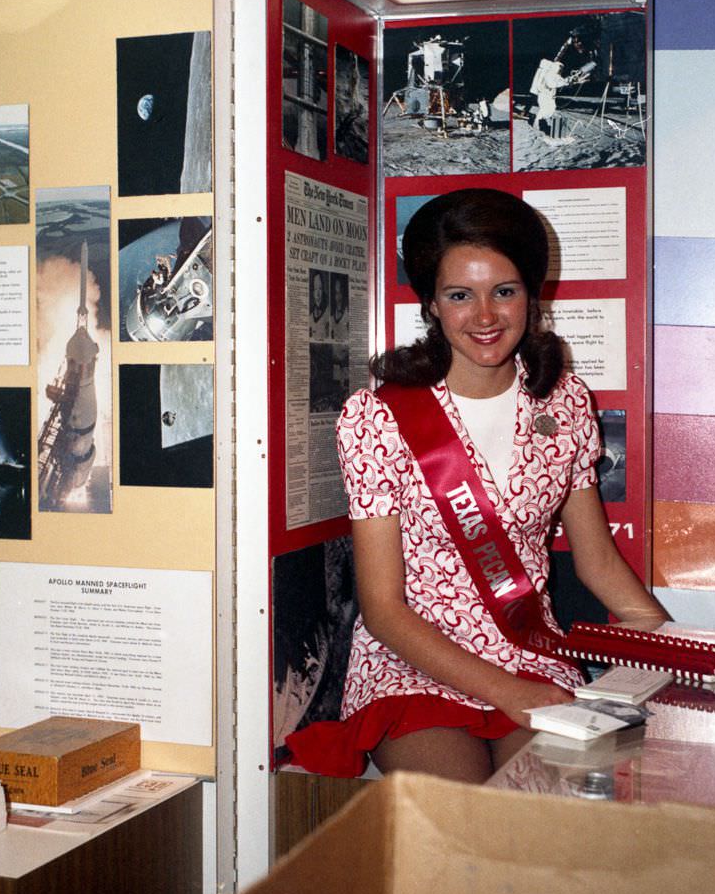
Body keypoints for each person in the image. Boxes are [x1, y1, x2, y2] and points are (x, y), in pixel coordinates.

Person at [285, 188, 666, 783]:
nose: (485, 317)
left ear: (531, 295)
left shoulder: (563, 403)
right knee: (460, 822)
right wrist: (503, 690)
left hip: (530, 657)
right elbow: (384, 610)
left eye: (504, 291)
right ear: (432, 305)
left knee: (543, 813)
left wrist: (672, 647)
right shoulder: (376, 416)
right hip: (412, 665)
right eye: (460, 295)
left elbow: (598, 564)